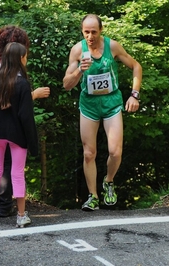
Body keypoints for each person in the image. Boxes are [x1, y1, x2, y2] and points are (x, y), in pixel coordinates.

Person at [63, 14, 142, 211]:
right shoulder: (77, 50)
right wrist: (80, 70)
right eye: (86, 32)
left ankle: (108, 181)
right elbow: (66, 85)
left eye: (94, 32)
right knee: (89, 153)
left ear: (101, 30)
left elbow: (136, 66)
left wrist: (134, 95)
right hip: (89, 105)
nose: (90, 36)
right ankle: (93, 196)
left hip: (111, 103)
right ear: (82, 31)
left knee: (115, 151)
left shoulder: (112, 46)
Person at [0, 25, 50, 217]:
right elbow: (14, 98)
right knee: (5, 164)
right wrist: (34, 95)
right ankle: (4, 207)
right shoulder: (7, 66)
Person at [0, 42, 38, 228]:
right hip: (17, 135)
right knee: (17, 173)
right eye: (25, 55)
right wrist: (32, 142)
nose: (26, 58)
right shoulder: (22, 83)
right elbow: (26, 116)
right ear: (20, 58)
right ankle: (21, 215)